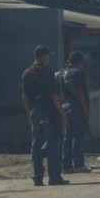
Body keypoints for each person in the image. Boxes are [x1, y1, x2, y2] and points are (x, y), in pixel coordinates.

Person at [21, 45, 69, 186]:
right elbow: (54, 95)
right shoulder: (46, 73)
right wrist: (63, 114)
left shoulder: (27, 73)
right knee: (54, 144)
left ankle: (37, 176)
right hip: (49, 112)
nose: (49, 58)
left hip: (35, 111)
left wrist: (29, 114)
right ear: (43, 57)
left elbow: (24, 96)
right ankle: (54, 177)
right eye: (47, 56)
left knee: (36, 145)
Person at [57, 51, 92, 174]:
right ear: (80, 62)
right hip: (76, 107)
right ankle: (79, 164)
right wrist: (85, 108)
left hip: (64, 106)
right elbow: (80, 93)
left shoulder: (61, 74)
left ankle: (66, 165)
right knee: (78, 136)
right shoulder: (77, 74)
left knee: (67, 137)